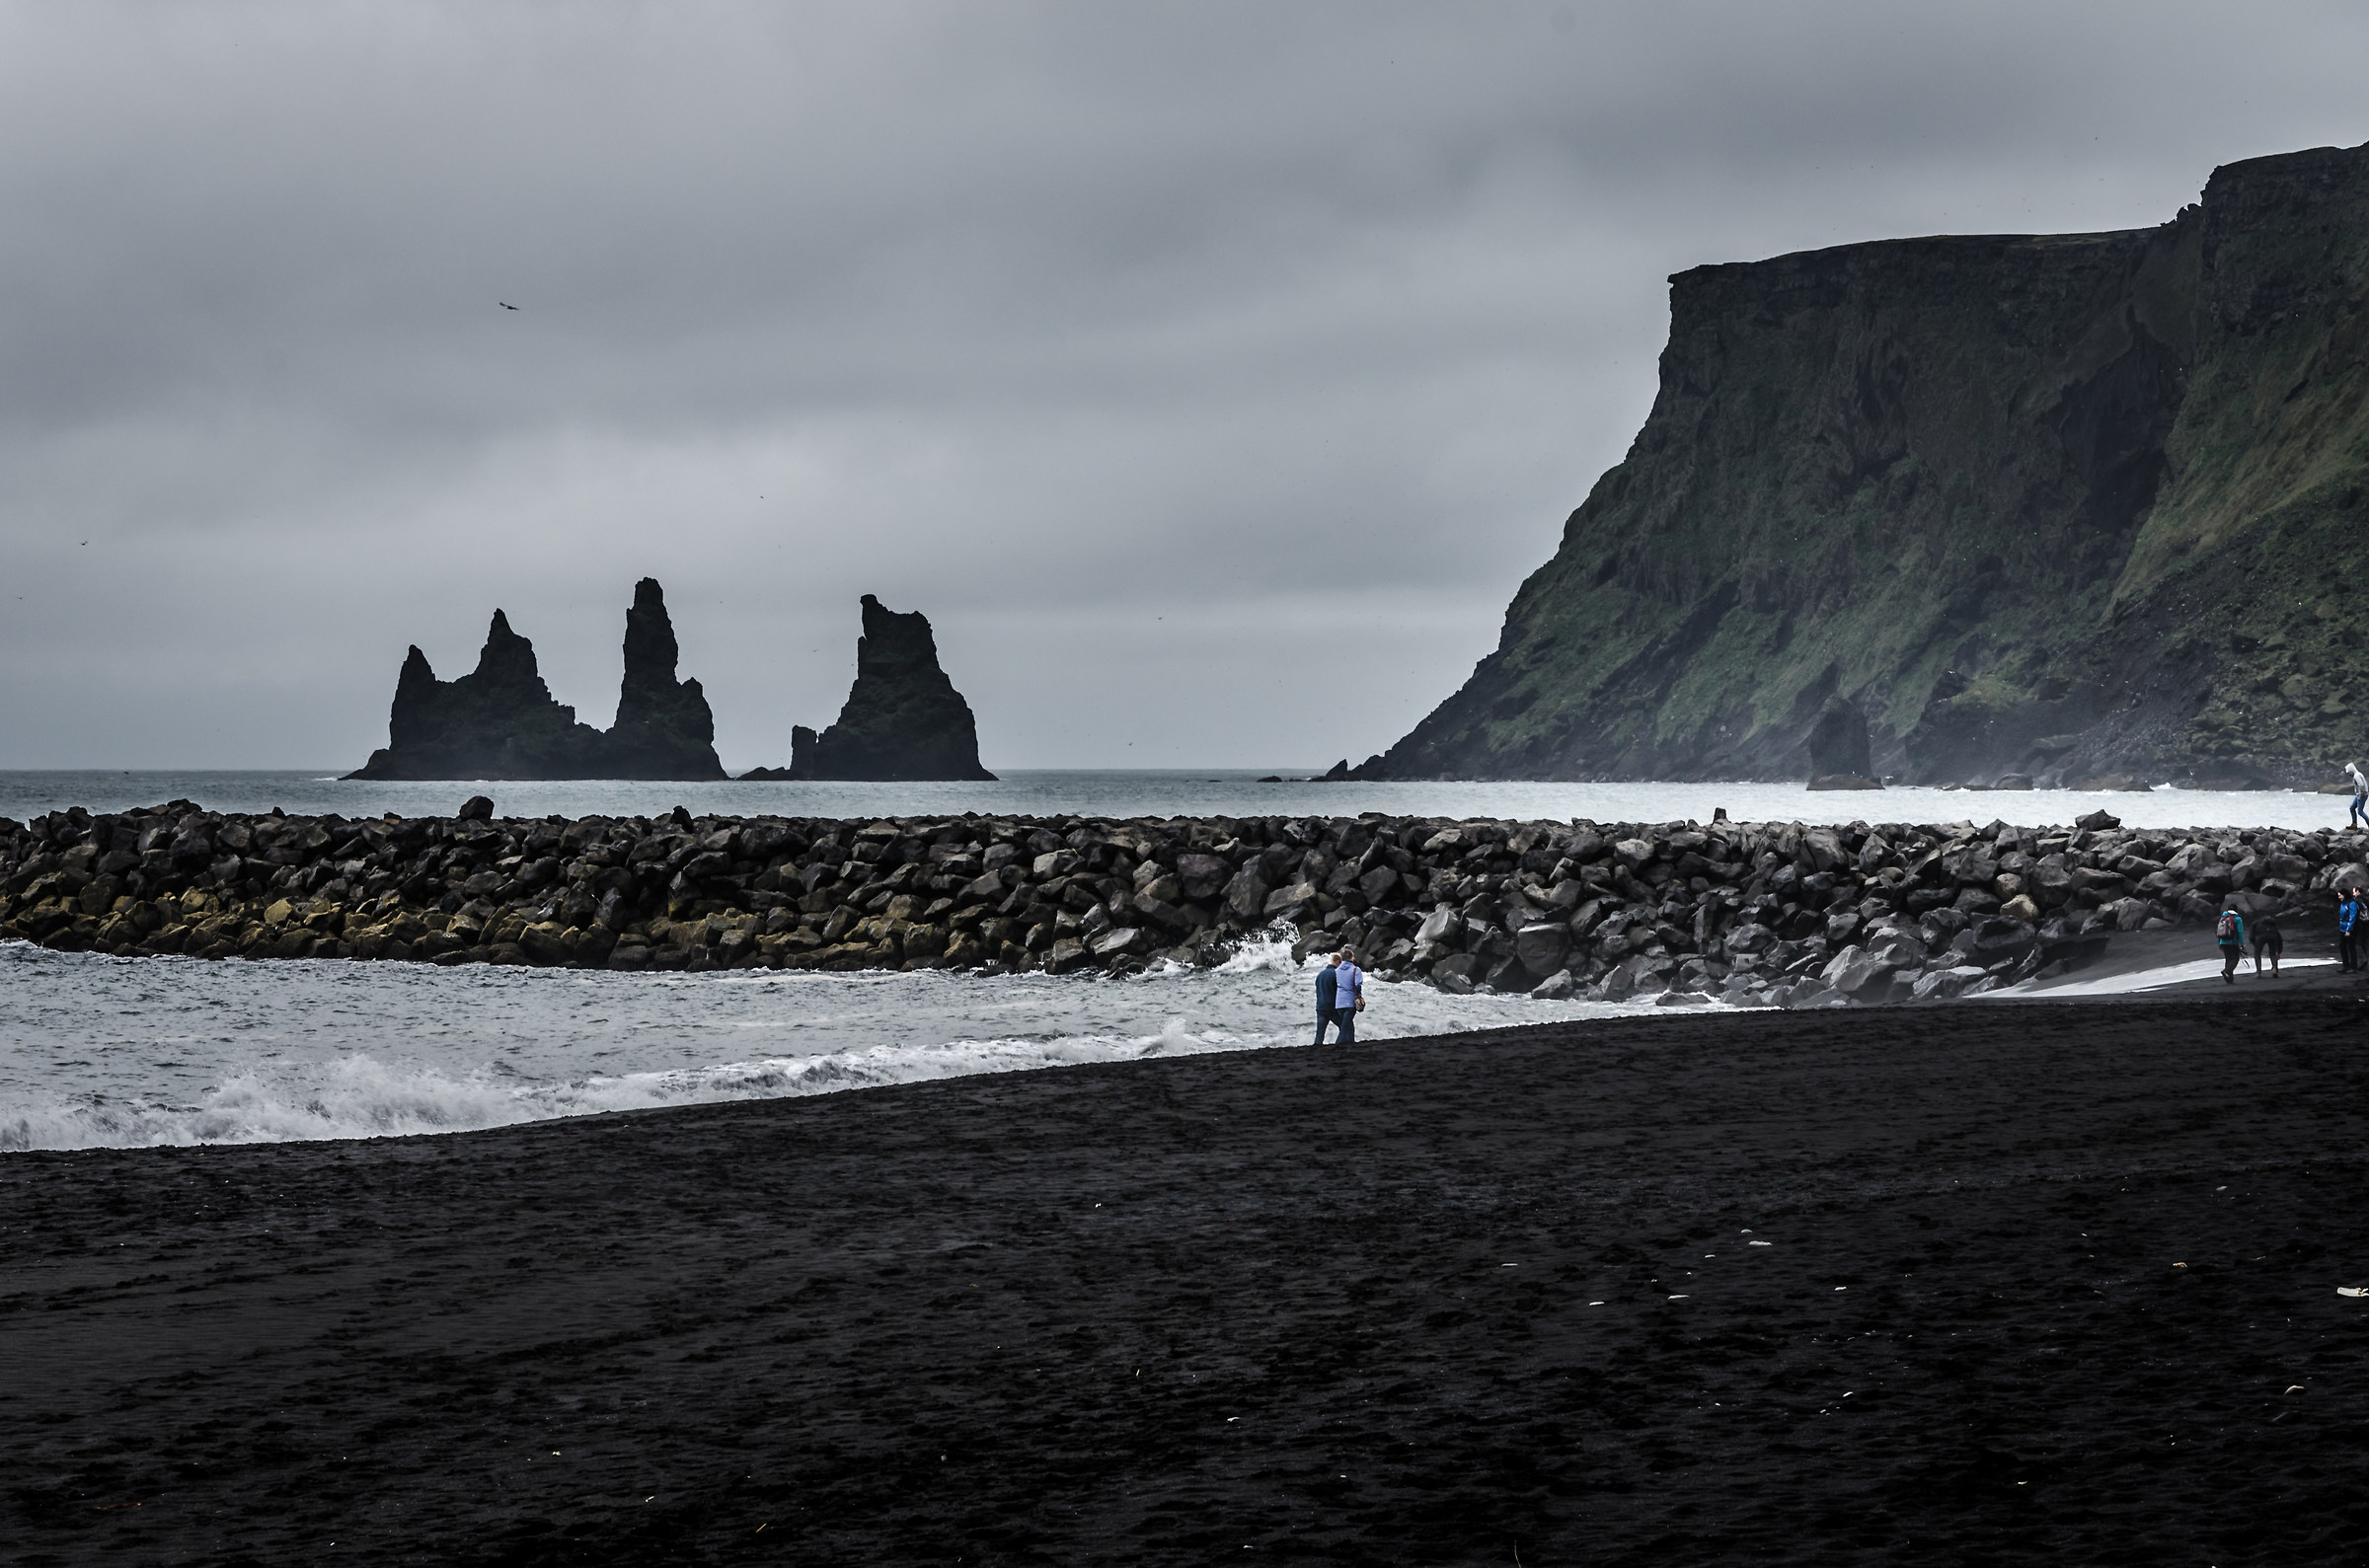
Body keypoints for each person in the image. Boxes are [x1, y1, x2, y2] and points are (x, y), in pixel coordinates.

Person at [1333, 948, 1365, 1044]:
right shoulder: (1356, 969)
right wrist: (1359, 995)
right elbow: (1358, 984)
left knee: (1349, 1025)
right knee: (1345, 1027)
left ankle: (1351, 1043)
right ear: (1352, 958)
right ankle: (1337, 1045)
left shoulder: (1337, 970)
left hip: (1339, 1002)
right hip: (1350, 1002)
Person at [1313, 953, 1341, 1045]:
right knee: (1345, 1027)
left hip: (1320, 1007)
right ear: (1337, 962)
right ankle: (1340, 1045)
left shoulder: (1320, 975)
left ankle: (1316, 1050)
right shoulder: (1336, 974)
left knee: (1320, 1034)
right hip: (1332, 1007)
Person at [2215, 903, 2246, 984]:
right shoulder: (2237, 919)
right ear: (2236, 910)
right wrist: (2242, 943)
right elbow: (2240, 932)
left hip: (2223, 942)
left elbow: (2218, 932)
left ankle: (2229, 979)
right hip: (2233, 942)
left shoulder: (2222, 918)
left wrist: (2219, 944)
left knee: (2228, 959)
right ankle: (2226, 971)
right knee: (2235, 959)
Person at [2252, 910, 2284, 977]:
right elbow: (2279, 938)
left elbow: (2251, 937)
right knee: (2272, 953)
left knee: (2257, 954)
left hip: (2261, 937)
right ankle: (2274, 968)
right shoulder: (2272, 923)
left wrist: (2256, 945)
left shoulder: (2255, 922)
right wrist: (2279, 951)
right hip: (2273, 936)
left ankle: (2258, 972)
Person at [2340, 887, 2365, 973]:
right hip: (2346, 927)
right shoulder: (2344, 903)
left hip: (2352, 928)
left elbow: (2353, 916)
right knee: (2344, 946)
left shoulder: (2352, 903)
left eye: (2340, 895)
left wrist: (2349, 929)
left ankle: (2354, 966)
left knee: (2352, 946)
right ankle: (2348, 966)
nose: (2339, 897)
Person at [2349, 763, 2369, 830]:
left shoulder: (2356, 775)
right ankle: (2354, 824)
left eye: (2349, 772)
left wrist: (2360, 794)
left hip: (2362, 795)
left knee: (2360, 811)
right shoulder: (2358, 774)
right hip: (2360, 795)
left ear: (2351, 770)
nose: (2348, 774)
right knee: (2352, 808)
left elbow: (2361, 785)